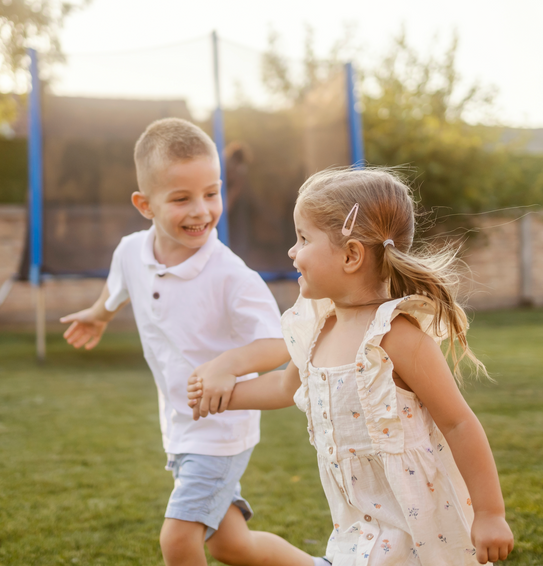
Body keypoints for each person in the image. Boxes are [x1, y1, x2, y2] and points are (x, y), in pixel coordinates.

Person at [188, 168, 514, 565]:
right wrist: (220, 396)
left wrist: (490, 513)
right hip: (357, 525)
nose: (293, 251)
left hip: (417, 526)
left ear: (351, 255)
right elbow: (283, 388)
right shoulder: (319, 326)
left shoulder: (396, 337)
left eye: (304, 238)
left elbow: (459, 423)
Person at [60, 118, 327, 566]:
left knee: (178, 540)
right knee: (230, 545)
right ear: (144, 205)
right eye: (181, 199)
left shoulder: (230, 276)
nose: (201, 210)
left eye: (211, 193)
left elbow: (282, 343)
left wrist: (228, 364)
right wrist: (98, 314)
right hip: (181, 427)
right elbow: (119, 288)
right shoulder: (130, 252)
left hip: (219, 431)